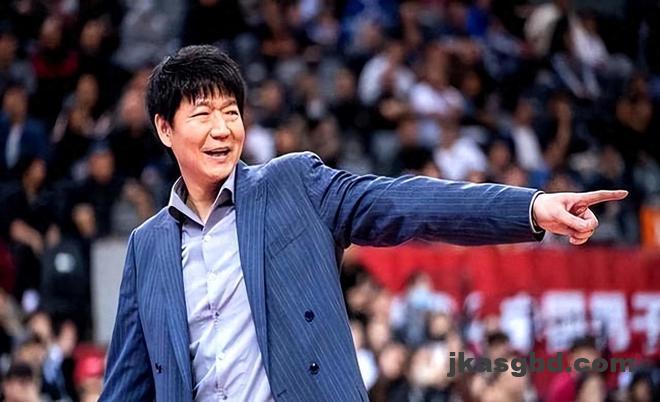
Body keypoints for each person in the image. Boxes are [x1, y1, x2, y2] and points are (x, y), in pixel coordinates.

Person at [99, 45, 627, 402]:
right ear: (165, 129)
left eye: (231, 111)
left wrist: (530, 208)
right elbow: (127, 384)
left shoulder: (294, 186)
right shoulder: (148, 247)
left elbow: (405, 203)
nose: (222, 129)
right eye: (202, 114)